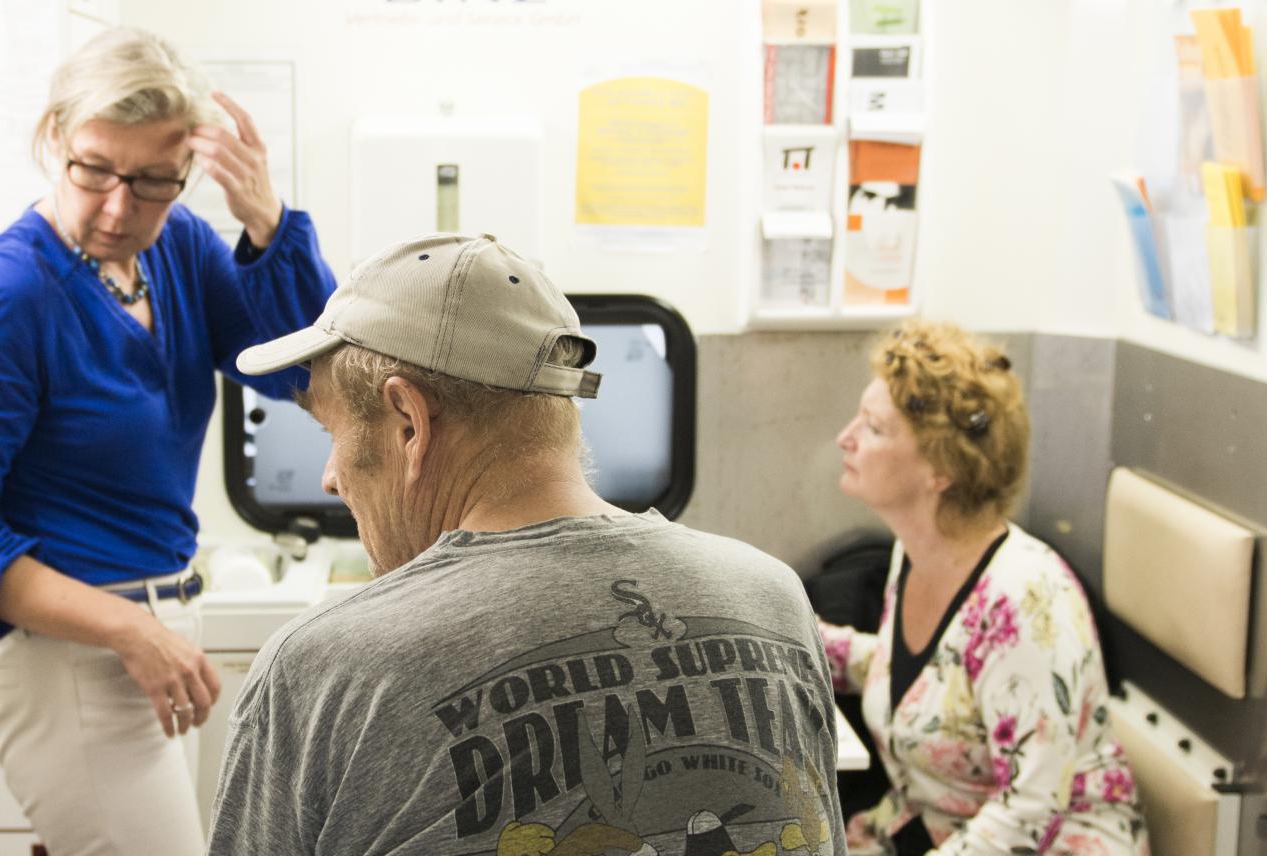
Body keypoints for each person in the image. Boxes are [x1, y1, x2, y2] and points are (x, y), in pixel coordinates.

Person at [209, 233, 846, 856]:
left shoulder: (323, 671)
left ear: (410, 424)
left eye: (333, 432)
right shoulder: (774, 600)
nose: (330, 476)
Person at [0, 26, 336, 856]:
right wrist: (128, 630)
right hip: (77, 660)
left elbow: (300, 374)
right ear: (53, 135)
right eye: (94, 169)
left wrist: (266, 222)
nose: (116, 208)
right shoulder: (8, 295)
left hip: (166, 639)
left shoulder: (175, 250)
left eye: (150, 183)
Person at [821, 321, 1148, 855]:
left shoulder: (1027, 599)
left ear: (940, 469)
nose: (846, 437)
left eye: (875, 428)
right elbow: (926, 682)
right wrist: (786, 638)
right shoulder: (917, 551)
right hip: (941, 829)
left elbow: (1030, 811)